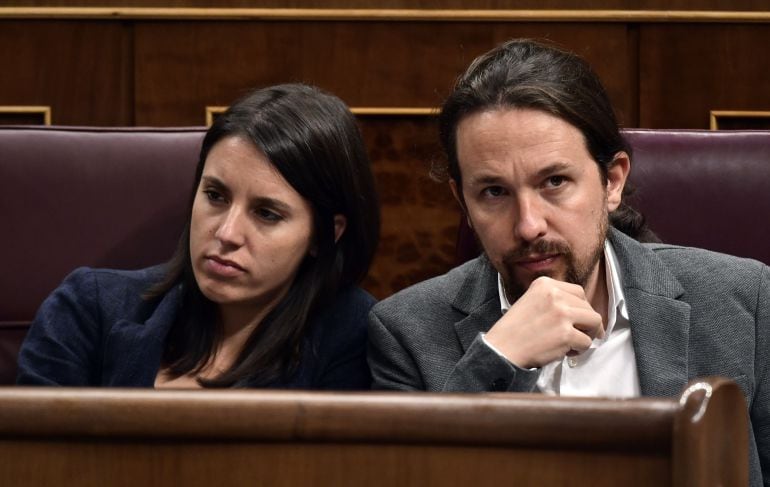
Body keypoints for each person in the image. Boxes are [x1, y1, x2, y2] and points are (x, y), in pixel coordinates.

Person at [367, 39, 769, 485]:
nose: (528, 226)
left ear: (612, 181)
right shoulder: (405, 332)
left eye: (554, 182)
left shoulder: (744, 300)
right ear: (462, 200)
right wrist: (498, 360)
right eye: (494, 192)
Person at [18, 83, 380, 389]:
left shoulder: (354, 336)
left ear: (325, 235)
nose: (226, 233)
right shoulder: (88, 309)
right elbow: (32, 464)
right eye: (215, 196)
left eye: (267, 213)